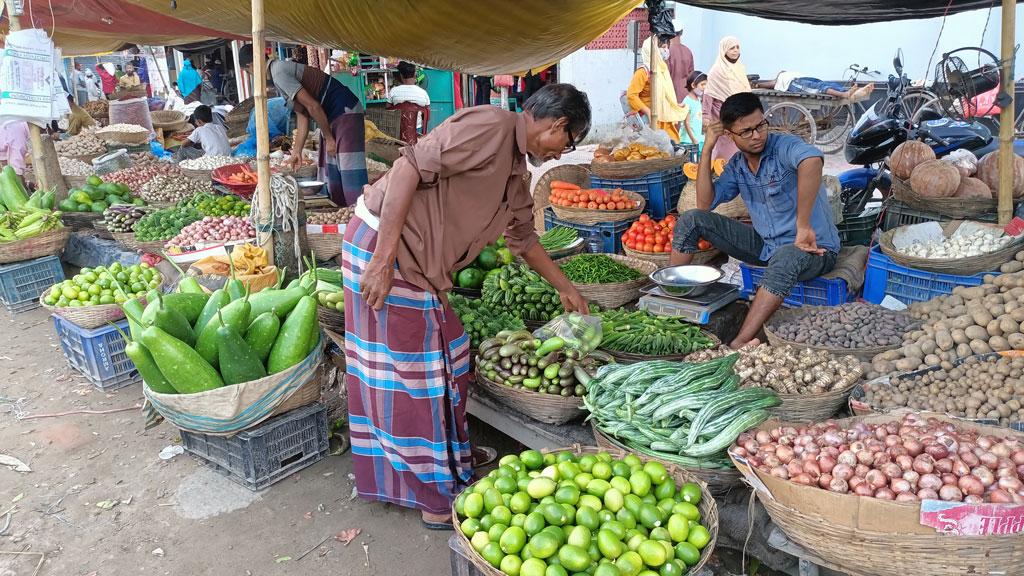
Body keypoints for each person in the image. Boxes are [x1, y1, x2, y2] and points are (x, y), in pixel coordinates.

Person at [343, 84, 592, 529]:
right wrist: (383, 260)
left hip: (417, 263)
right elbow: (406, 169)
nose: (560, 155)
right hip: (388, 249)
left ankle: (449, 456)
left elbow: (522, 239)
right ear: (557, 125)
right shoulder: (490, 126)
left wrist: (565, 287)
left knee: (453, 353)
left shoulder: (517, 169)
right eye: (566, 144)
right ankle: (434, 497)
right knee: (410, 377)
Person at [671, 92, 840, 349]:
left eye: (760, 125)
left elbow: (812, 161)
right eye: (746, 131)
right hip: (766, 247)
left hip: (814, 249)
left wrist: (803, 225)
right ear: (730, 134)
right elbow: (705, 204)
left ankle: (740, 342)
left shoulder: (783, 146)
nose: (757, 135)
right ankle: (673, 303)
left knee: (786, 257)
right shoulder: (738, 165)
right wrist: (707, 149)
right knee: (692, 220)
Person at [238, 44, 368, 207]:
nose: (252, 76)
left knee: (349, 169)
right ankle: (343, 211)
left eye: (248, 72)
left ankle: (360, 213)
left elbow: (313, 106)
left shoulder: (279, 72)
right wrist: (297, 152)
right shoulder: (277, 75)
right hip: (329, 115)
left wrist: (329, 138)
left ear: (250, 66)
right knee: (332, 167)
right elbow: (303, 114)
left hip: (345, 110)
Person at [626, 36, 689, 142]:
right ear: (653, 50)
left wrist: (673, 105)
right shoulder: (643, 72)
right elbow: (631, 95)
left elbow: (664, 93)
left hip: (664, 117)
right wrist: (647, 111)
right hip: (651, 120)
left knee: (671, 148)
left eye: (666, 47)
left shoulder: (662, 68)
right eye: (663, 47)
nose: (666, 50)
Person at [704, 36, 751, 161]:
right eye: (731, 48)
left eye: (737, 47)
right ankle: (719, 170)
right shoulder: (716, 70)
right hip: (722, 115)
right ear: (724, 50)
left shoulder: (740, 68)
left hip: (740, 115)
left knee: (739, 142)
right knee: (724, 144)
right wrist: (706, 116)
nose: (736, 50)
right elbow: (708, 95)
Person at [754, 71, 874, 100]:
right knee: (820, 88)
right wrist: (757, 85)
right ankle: (845, 93)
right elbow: (770, 84)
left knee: (825, 84)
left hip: (802, 79)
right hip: (795, 84)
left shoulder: (783, 74)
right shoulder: (778, 81)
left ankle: (852, 92)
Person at [388, 61, 431, 141]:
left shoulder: (393, 91)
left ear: (401, 75)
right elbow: (427, 116)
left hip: (398, 132)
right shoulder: (423, 93)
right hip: (417, 131)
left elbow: (388, 111)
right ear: (415, 74)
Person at [679, 71, 707, 156]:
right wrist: (693, 139)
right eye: (702, 85)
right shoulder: (687, 101)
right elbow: (686, 123)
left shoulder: (698, 100)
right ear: (693, 85)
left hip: (699, 139)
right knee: (691, 165)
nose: (704, 87)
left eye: (706, 85)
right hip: (689, 141)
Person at [667, 28, 695, 101]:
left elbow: (665, 75)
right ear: (681, 33)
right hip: (686, 93)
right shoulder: (688, 51)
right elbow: (692, 75)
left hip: (671, 92)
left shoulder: (667, 52)